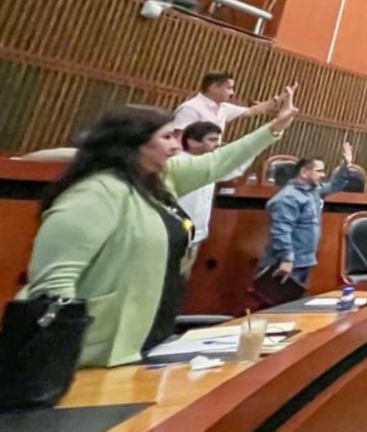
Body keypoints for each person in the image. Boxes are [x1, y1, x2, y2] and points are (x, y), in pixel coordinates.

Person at [21, 94, 296, 368]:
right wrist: (57, 359)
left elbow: (217, 162)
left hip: (147, 336)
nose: (177, 146)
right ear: (134, 144)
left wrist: (275, 127)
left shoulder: (161, 178)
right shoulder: (94, 193)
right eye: (167, 137)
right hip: (93, 351)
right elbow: (53, 284)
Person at [262, 140, 355, 291]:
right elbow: (281, 231)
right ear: (304, 172)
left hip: (303, 261)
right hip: (286, 263)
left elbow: (333, 185)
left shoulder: (312, 192)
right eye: (319, 171)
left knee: (294, 302)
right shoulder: (288, 198)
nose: (323, 175)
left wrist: (346, 165)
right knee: (279, 302)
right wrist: (287, 259)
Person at [172, 121, 233, 271]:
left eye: (218, 140)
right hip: (175, 233)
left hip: (195, 235)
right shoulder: (178, 163)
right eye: (212, 140)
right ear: (192, 142)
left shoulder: (210, 163)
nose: (217, 145)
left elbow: (233, 170)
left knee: (181, 279)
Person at [171, 70, 283, 137]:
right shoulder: (190, 108)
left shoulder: (224, 108)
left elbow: (251, 111)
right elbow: (178, 137)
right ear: (213, 87)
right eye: (229, 88)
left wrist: (278, 99)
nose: (232, 93)